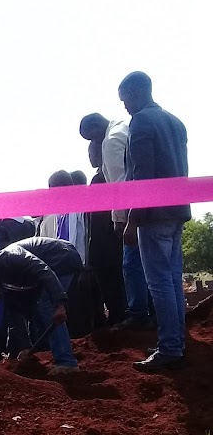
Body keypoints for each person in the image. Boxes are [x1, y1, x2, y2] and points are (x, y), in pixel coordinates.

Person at [119, 71, 191, 372]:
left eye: (125, 100)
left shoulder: (142, 122)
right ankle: (174, 339)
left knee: (159, 282)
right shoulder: (175, 121)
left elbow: (142, 176)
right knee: (172, 279)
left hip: (154, 215)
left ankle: (170, 347)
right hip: (177, 211)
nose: (125, 108)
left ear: (136, 94)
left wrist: (132, 219)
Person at [80, 111, 152, 329]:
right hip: (113, 238)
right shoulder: (120, 132)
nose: (90, 154)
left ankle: (135, 315)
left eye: (92, 143)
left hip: (115, 237)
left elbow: (120, 188)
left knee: (129, 271)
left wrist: (122, 222)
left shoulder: (111, 145)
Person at [0, 238, 79, 374]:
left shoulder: (11, 256)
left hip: (61, 256)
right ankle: (46, 352)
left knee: (45, 305)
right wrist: (24, 347)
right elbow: (13, 313)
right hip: (46, 269)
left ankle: (67, 362)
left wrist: (59, 303)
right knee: (37, 310)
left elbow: (44, 271)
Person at [86, 141, 129, 325]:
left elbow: (99, 220)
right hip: (107, 246)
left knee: (114, 290)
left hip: (106, 247)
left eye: (92, 152)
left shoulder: (102, 178)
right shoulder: (102, 176)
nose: (90, 157)